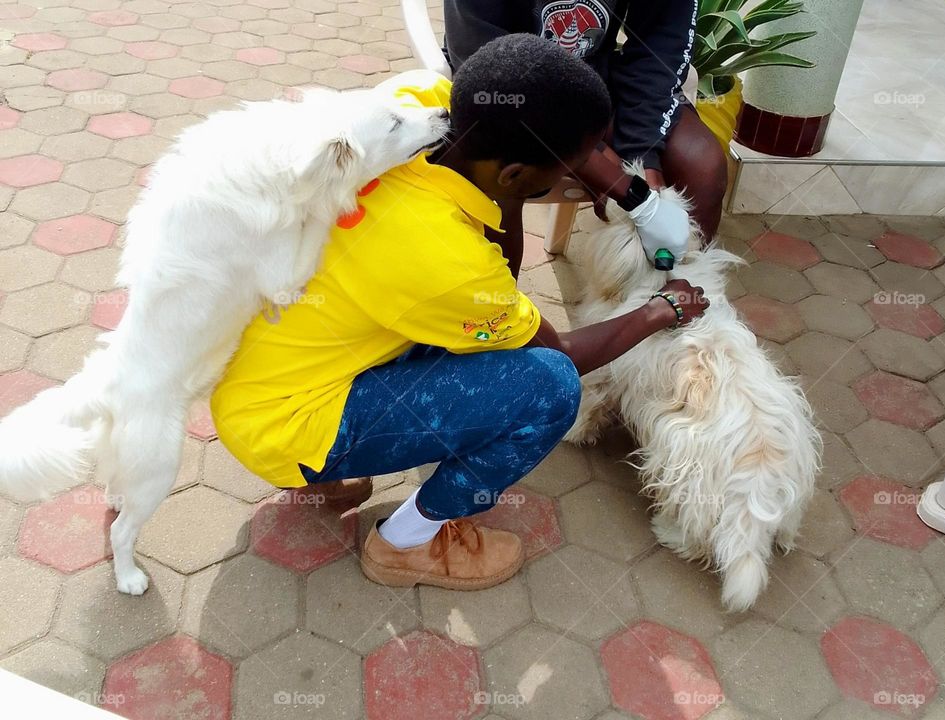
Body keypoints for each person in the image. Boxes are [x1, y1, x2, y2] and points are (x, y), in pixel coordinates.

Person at [211, 34, 709, 591]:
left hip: (250, 385)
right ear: (516, 175)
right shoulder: (448, 259)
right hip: (286, 426)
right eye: (563, 170)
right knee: (548, 389)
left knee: (462, 330)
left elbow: (494, 270)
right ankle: (405, 543)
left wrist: (634, 197)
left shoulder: (421, 101)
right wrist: (660, 311)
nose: (572, 180)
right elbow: (558, 351)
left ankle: (321, 478)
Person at [444, 0, 728, 277]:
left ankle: (673, 305)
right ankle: (498, 316)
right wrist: (624, 187)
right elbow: (484, 69)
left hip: (589, 81)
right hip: (501, 91)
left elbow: (659, 46)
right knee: (496, 184)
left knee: (702, 164)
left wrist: (644, 157)